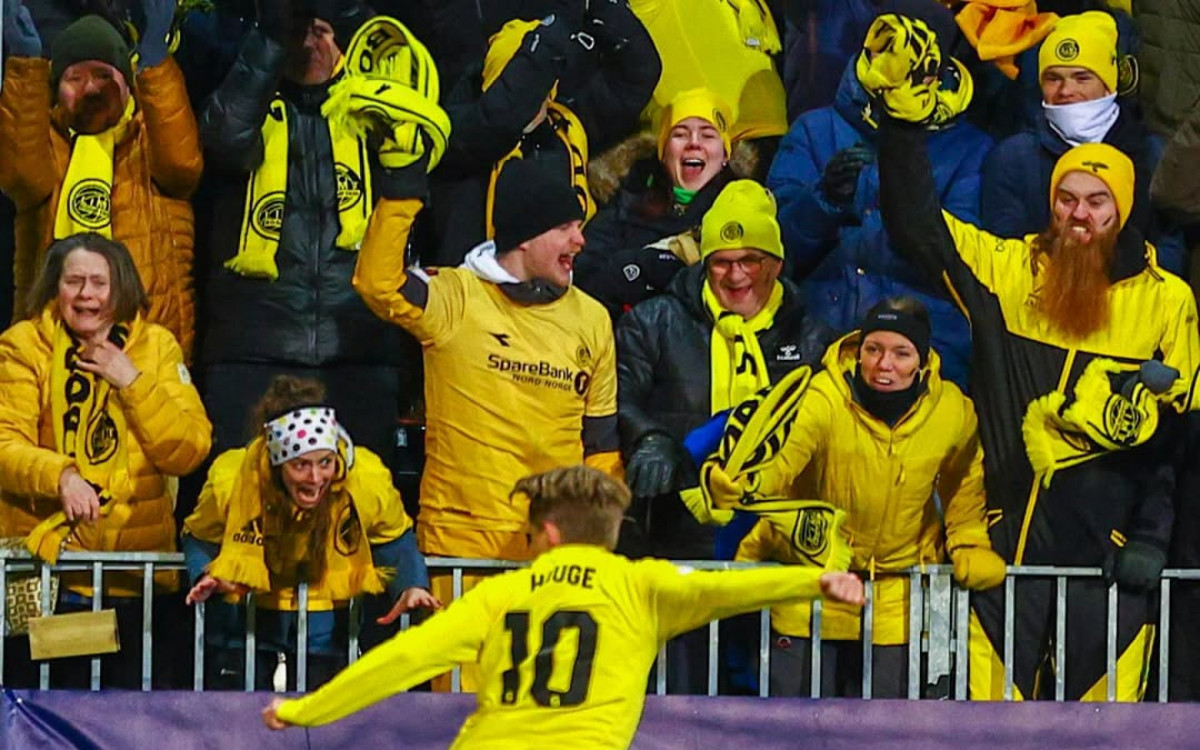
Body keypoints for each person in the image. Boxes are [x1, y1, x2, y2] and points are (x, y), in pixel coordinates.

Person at [864, 11, 1200, 700]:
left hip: (1110, 569)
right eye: (1066, 201)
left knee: (1105, 740)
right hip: (1002, 561)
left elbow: (1176, 442)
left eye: (1096, 204)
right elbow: (918, 229)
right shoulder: (1010, 271)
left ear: (1123, 211)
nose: (1078, 216)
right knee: (991, 733)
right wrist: (901, 128)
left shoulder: (1167, 301)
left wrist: (1152, 541)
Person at [261, 464, 865, 746]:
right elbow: (730, 586)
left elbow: (404, 660)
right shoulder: (642, 586)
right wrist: (811, 582)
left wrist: (309, 710)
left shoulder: (500, 594)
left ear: (547, 533)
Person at [354, 150, 622, 690]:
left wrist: (596, 547)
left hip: (554, 556)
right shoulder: (454, 297)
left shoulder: (592, 319)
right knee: (462, 721)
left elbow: (602, 449)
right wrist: (403, 185)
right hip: (462, 554)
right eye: (567, 228)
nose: (580, 242)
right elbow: (376, 282)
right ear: (525, 235)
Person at [614, 178, 830, 693]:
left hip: (773, 554)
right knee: (678, 710)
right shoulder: (655, 322)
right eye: (721, 261)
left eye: (749, 259)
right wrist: (648, 438)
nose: (735, 275)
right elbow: (614, 398)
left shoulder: (813, 336)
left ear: (775, 262)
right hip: (682, 548)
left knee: (765, 720)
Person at [732, 298, 1005, 698]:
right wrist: (746, 483)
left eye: (901, 353)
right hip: (810, 591)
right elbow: (782, 460)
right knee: (790, 735)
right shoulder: (822, 395)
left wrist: (969, 543)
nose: (884, 365)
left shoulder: (952, 411)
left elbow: (964, 488)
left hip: (894, 602)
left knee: (884, 736)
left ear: (923, 360)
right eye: (873, 349)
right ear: (858, 349)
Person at [0, 232, 212, 688]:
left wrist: (131, 381)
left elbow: (190, 449)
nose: (86, 294)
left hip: (138, 583)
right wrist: (60, 476)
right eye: (74, 281)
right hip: (55, 584)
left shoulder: (156, 347)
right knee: (55, 713)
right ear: (54, 287)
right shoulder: (24, 344)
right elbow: (3, 444)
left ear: (122, 287)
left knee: (129, 723)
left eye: (100, 282)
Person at [767, 13, 989, 390]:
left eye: (915, 64)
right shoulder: (815, 130)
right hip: (819, 341)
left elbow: (957, 263)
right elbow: (775, 252)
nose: (898, 71)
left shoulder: (972, 150)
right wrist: (824, 200)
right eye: (888, 53)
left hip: (926, 349)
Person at [182, 375, 437, 690]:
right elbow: (200, 536)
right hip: (245, 626)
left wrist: (410, 585)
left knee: (323, 731)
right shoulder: (232, 478)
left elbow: (394, 539)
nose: (316, 478)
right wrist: (205, 574)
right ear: (277, 463)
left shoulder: (365, 478)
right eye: (300, 465)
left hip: (327, 628)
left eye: (325, 462)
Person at [0, 2, 202, 355]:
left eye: (104, 75)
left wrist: (155, 63)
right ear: (55, 88)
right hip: (51, 349)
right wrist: (27, 67)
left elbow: (183, 166)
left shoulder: (148, 139)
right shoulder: (47, 141)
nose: (91, 88)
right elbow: (20, 177)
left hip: (146, 347)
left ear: (127, 83)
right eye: (74, 79)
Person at [427, 6, 661, 265]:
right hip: (475, 293)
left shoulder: (566, 125)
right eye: (523, 71)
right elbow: (501, 119)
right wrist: (556, 30)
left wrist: (596, 6)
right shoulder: (456, 131)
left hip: (558, 286)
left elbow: (637, 74)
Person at [980, 11, 1187, 276]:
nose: (1066, 91)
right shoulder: (1013, 157)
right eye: (1053, 78)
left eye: (1082, 77)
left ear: (1108, 83)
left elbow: (1172, 248)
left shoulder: (1151, 152)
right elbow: (1002, 253)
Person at [575, 88, 738, 318]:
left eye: (708, 135)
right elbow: (586, 277)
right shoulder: (628, 198)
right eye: (680, 134)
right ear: (663, 151)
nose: (694, 143)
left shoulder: (744, 208)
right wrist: (639, 265)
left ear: (725, 155)